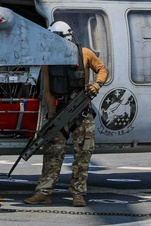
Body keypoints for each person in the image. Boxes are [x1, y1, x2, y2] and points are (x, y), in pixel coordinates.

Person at [25, 21, 109, 207]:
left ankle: (78, 193)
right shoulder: (49, 59)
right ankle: (44, 192)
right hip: (61, 111)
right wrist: (52, 114)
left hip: (82, 111)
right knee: (52, 153)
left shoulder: (85, 54)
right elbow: (47, 90)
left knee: (83, 153)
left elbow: (102, 69)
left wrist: (97, 84)